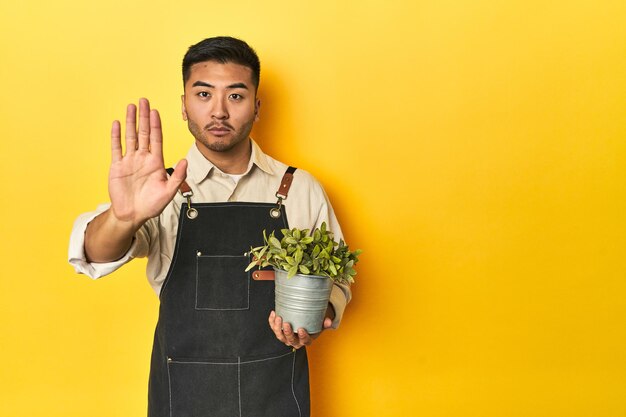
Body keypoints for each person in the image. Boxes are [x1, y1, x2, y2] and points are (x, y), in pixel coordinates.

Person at [68, 36, 351, 417]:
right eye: (203, 95)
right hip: (181, 398)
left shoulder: (299, 188)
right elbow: (96, 254)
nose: (218, 111)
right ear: (184, 105)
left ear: (257, 106)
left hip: (274, 396)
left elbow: (336, 282)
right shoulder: (158, 189)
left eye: (235, 96)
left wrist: (315, 320)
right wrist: (124, 217)